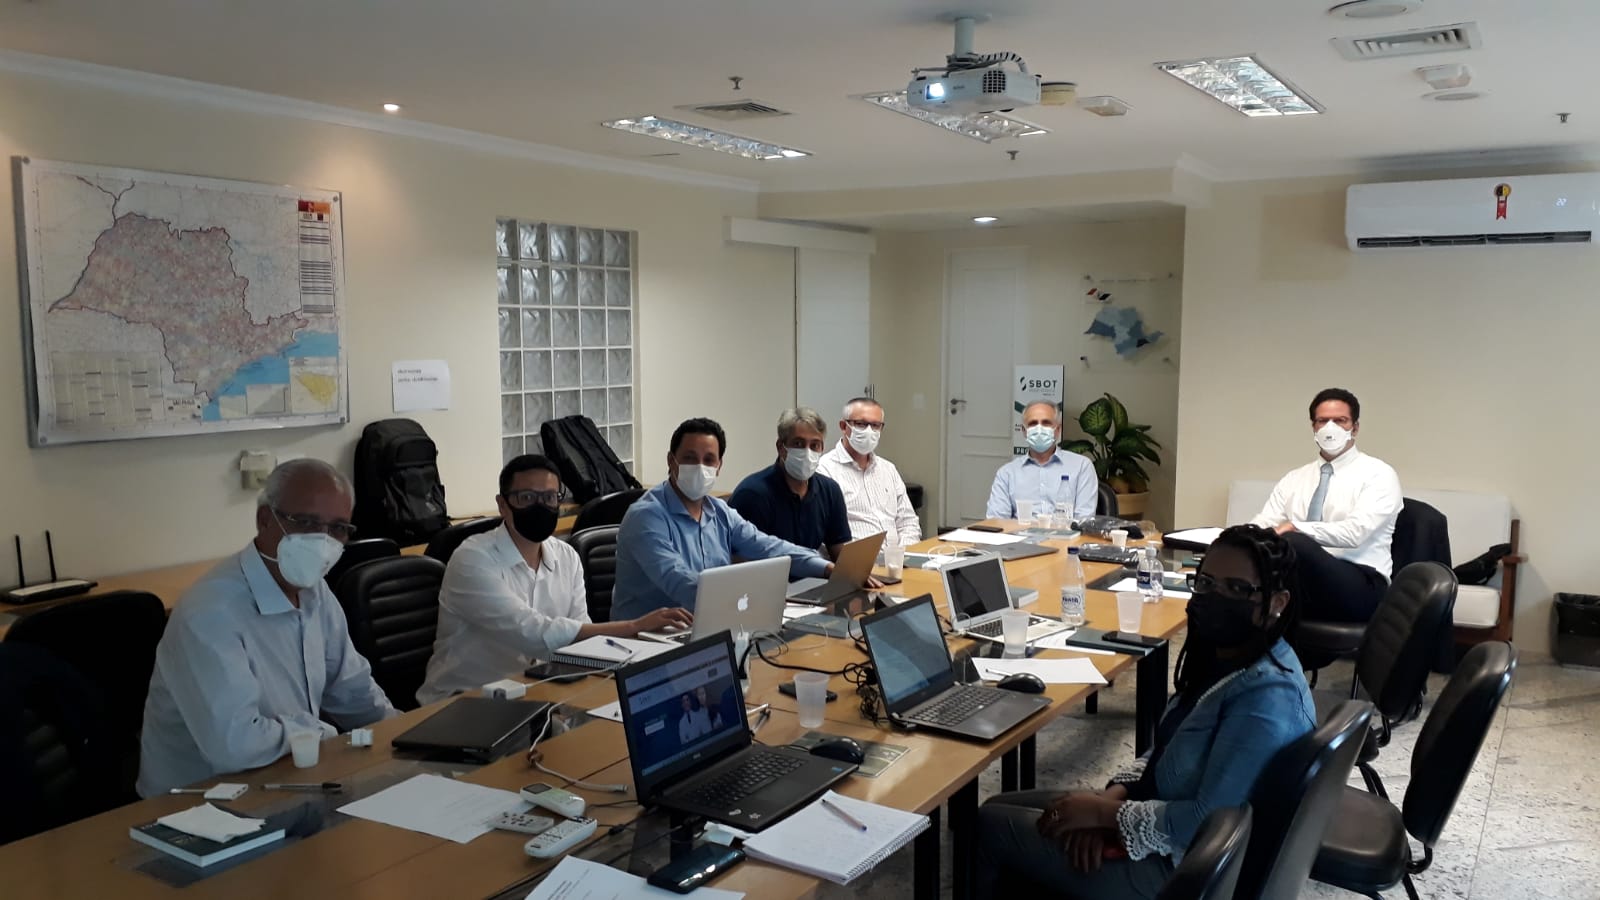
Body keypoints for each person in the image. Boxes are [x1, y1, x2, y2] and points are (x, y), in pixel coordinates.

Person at [974, 525, 1316, 899]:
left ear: (1277, 602)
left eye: (1236, 589)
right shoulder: (1229, 660)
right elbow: (1169, 749)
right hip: (1161, 812)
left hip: (1190, 870)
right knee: (1001, 805)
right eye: (1206, 583)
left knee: (991, 824)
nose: (1215, 597)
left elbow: (1207, 822)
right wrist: (1112, 800)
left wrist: (1105, 817)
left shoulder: (1266, 699)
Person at [137, 459, 398, 797]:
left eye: (338, 528)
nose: (323, 540)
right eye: (306, 522)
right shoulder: (211, 613)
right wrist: (319, 733)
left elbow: (351, 690)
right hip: (193, 804)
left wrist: (402, 735)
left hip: (284, 781)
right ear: (264, 519)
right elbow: (235, 745)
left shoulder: (315, 592)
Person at [417, 455, 691, 704]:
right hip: (463, 701)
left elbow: (581, 643)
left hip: (540, 692)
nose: (540, 506)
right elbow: (534, 633)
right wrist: (633, 626)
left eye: (549, 498)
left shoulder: (566, 556)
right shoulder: (471, 559)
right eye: (526, 497)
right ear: (502, 505)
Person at [611, 417, 834, 621]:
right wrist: (753, 601)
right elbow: (680, 581)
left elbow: (767, 546)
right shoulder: (645, 517)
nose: (700, 467)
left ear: (719, 467)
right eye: (690, 458)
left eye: (709, 460)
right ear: (671, 461)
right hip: (644, 639)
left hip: (708, 625)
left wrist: (826, 568)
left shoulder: (719, 511)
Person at [1250, 387, 1402, 622]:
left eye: (1340, 420)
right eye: (1322, 421)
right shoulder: (1294, 478)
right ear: (1314, 427)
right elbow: (1266, 522)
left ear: (1355, 428)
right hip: (1302, 580)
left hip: (1361, 583)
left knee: (1293, 543)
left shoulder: (1379, 474)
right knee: (1232, 582)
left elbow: (1354, 533)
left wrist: (1296, 528)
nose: (1330, 428)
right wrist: (1237, 538)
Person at [728, 407, 853, 560]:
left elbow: (840, 551)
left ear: (822, 448)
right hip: (768, 574)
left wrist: (854, 569)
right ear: (781, 447)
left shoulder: (829, 491)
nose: (807, 452)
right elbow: (741, 561)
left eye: (814, 445)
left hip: (813, 573)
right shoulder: (752, 495)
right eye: (798, 443)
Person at [816, 397, 921, 546]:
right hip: (855, 558)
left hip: (898, 556)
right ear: (844, 426)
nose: (869, 431)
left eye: (875, 425)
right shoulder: (824, 470)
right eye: (861, 424)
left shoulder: (888, 469)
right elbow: (822, 532)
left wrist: (904, 552)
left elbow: (908, 522)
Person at [986, 400, 1099, 522]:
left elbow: (1084, 521)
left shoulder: (1081, 467)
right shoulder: (1007, 474)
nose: (1039, 429)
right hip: (1019, 534)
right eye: (1033, 423)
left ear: (1058, 430)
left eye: (1046, 423)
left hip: (1066, 533)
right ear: (1024, 431)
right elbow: (996, 522)